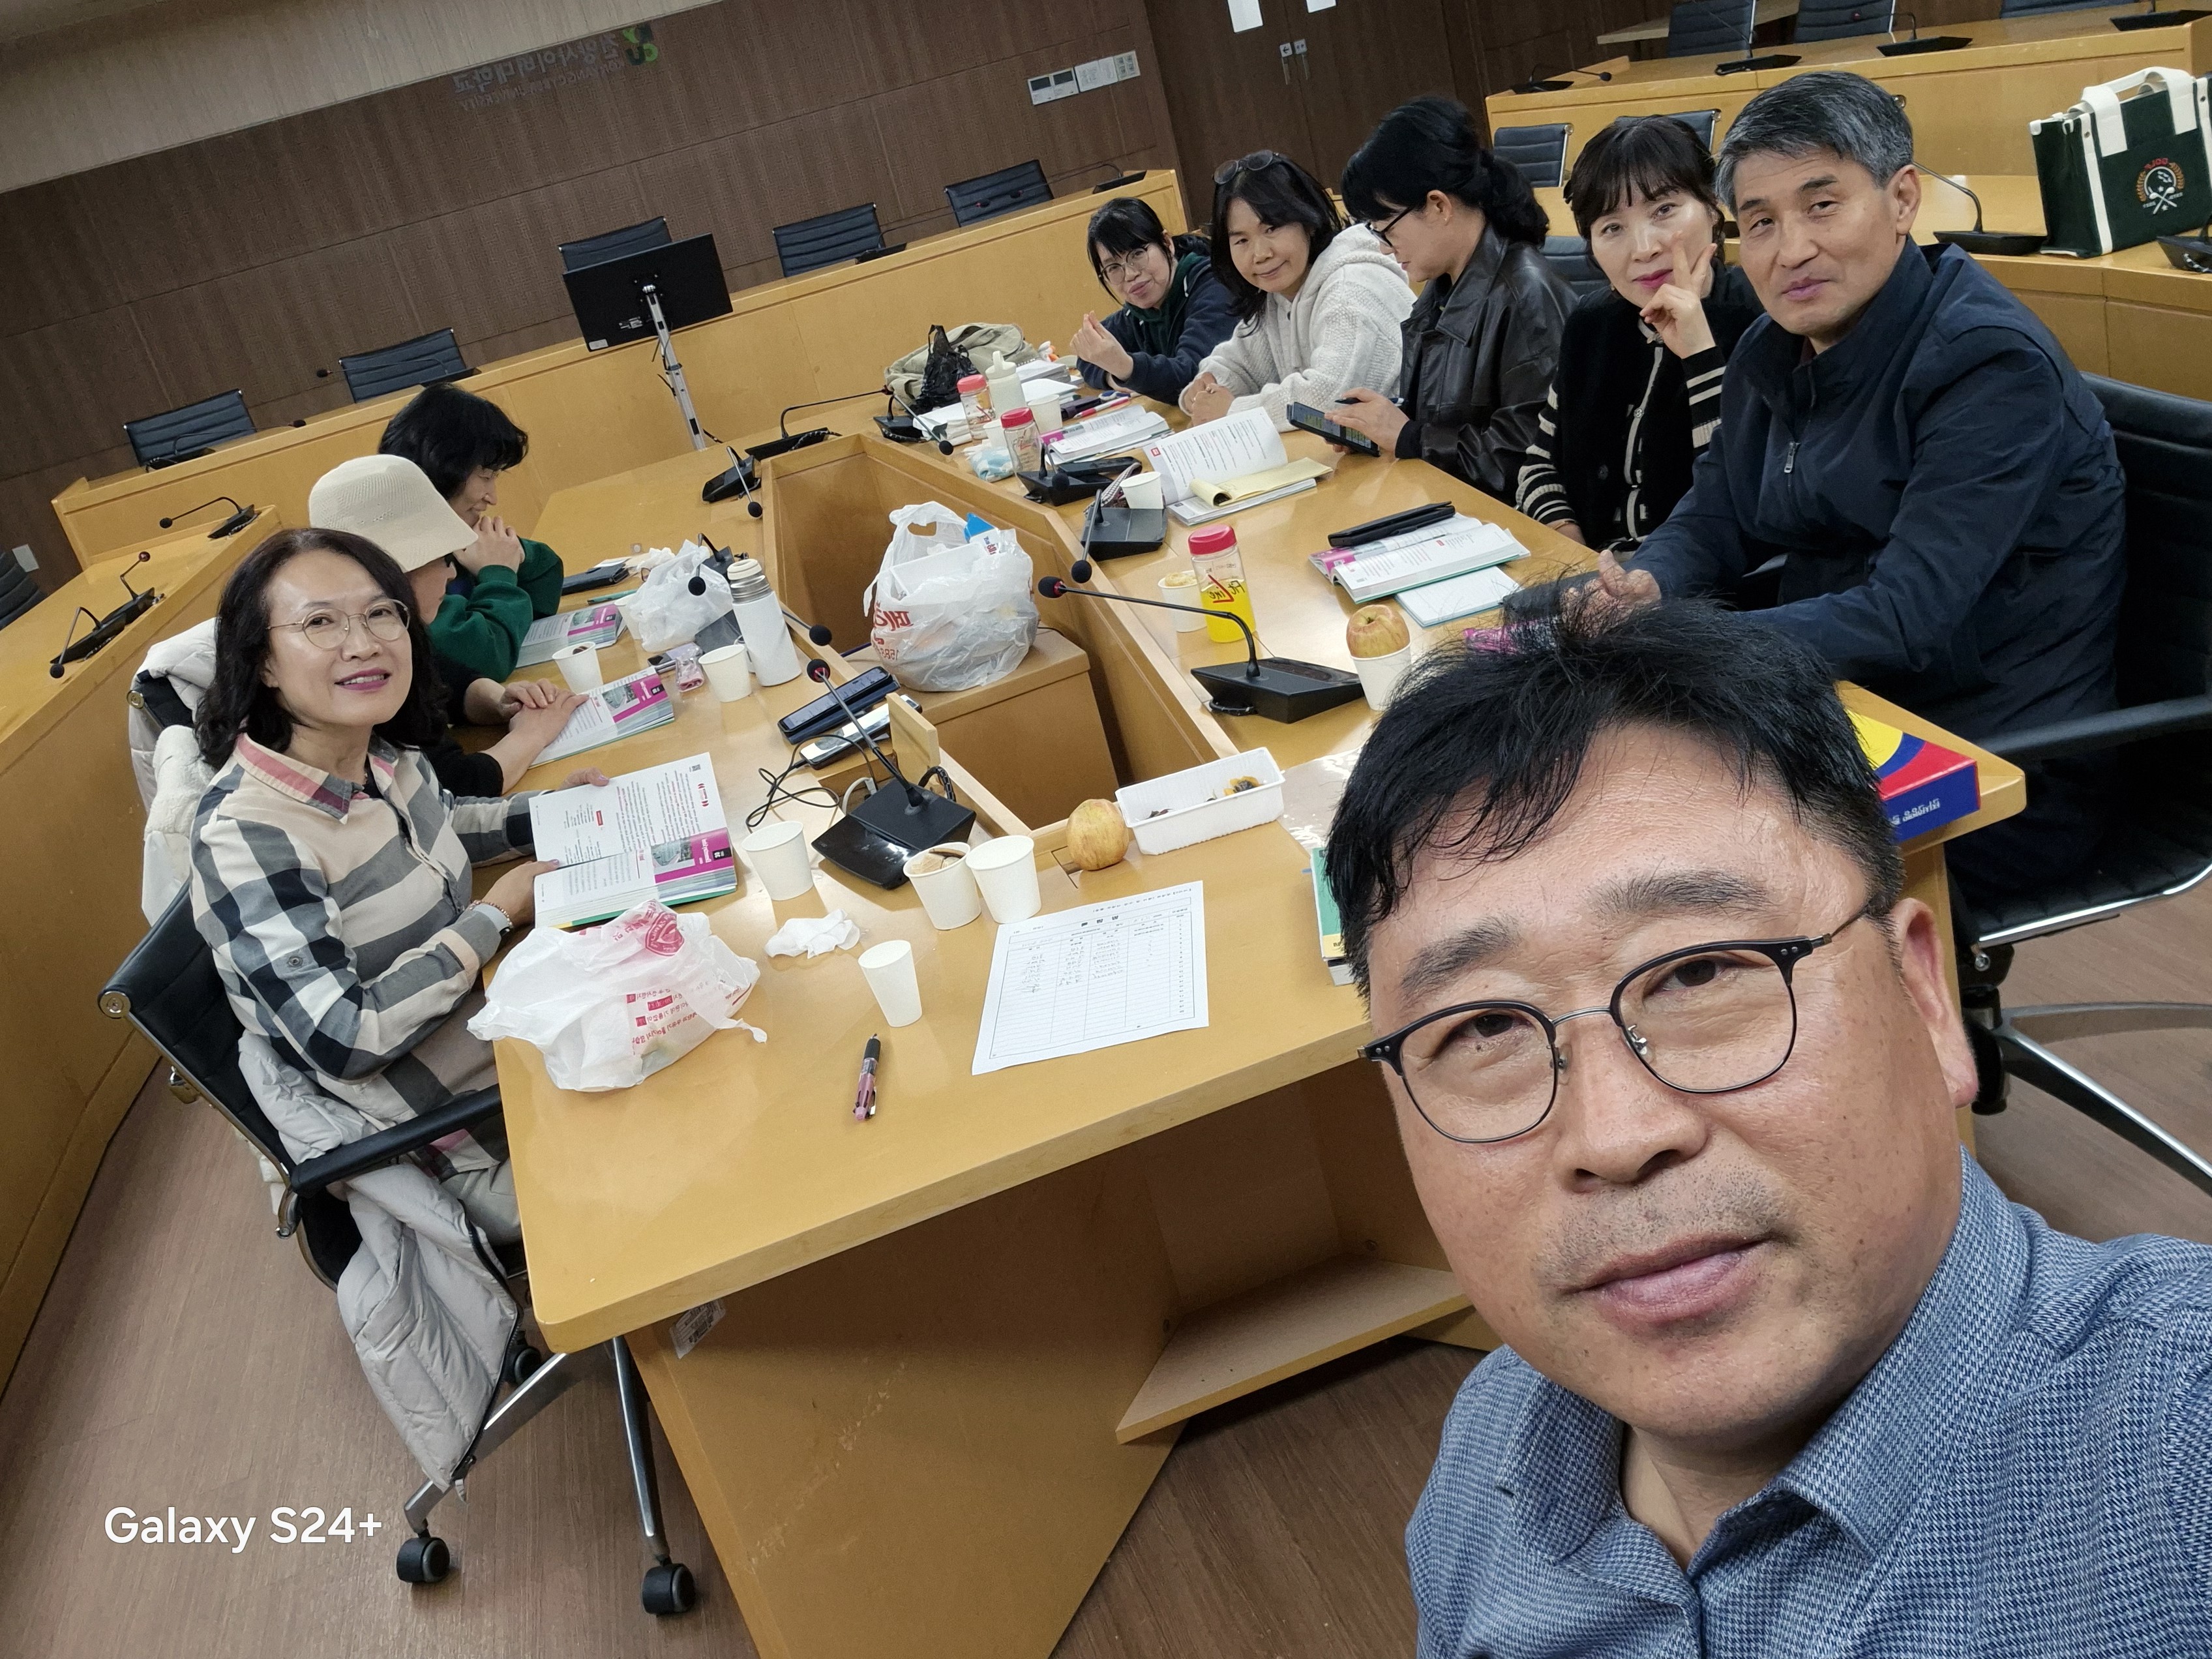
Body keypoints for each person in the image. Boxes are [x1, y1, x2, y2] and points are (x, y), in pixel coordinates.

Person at [1322, 595, 2212, 1656]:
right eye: (1481, 1028)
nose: (1614, 1134)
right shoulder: (1487, 1455)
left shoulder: (2178, 1450)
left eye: (1701, 971)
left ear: (1926, 997)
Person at [1589, 72, 2125, 904]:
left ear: (1902, 199)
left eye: (1821, 206)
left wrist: (1679, 649)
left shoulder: (1987, 365)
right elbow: (1717, 512)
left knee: (1669, 874)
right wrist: (1647, 585)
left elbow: (1905, 617)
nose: (1789, 250)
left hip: (1990, 761)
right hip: (1846, 711)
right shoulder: (1773, 346)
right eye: (1760, 222)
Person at [188, 528, 584, 1244]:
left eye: (380, 613)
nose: (363, 643)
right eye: (320, 622)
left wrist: (562, 815)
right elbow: (345, 1036)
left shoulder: (375, 749)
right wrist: (493, 916)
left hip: (509, 1024)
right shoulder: (247, 836)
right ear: (262, 661)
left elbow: (443, 823)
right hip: (460, 1130)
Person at [1511, 113, 1764, 547]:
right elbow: (1540, 464)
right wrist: (1574, 551)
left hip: (1704, 580)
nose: (1644, 249)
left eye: (1664, 210)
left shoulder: (1763, 320)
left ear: (1713, 206)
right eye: (1612, 228)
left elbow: (1746, 499)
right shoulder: (1590, 324)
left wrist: (1700, 353)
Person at [1332, 97, 1572, 498]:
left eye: (1386, 230)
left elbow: (1527, 457)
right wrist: (1380, 425)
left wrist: (1409, 437)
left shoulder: (1526, 297)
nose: (1385, 249)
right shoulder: (1443, 285)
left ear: (1438, 205)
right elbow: (1447, 418)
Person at [310, 454, 584, 795]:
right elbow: (450, 788)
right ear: (402, 574)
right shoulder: (362, 664)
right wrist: (534, 733)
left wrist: (500, 702)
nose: (452, 572)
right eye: (443, 558)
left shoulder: (397, 633)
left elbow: (445, 681)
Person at [1180, 151, 1413, 429]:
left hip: (1423, 451)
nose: (1260, 254)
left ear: (1308, 221)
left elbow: (1328, 400)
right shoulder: (1279, 295)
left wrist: (1233, 410)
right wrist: (1207, 387)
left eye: (1271, 229)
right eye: (1241, 241)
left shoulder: (1350, 289)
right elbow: (1239, 365)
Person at [378, 381, 564, 682]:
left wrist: (512, 552)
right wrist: (499, 573)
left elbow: (546, 579)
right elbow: (487, 660)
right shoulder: (410, 564)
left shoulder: (452, 534)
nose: (493, 498)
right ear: (445, 468)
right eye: (486, 476)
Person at [1069, 197, 1236, 406]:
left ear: (1166, 243)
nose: (1130, 274)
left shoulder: (1214, 287)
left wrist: (1126, 368)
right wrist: (1113, 376)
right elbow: (1088, 357)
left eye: (1137, 254)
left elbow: (1195, 378)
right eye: (1113, 268)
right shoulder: (1138, 312)